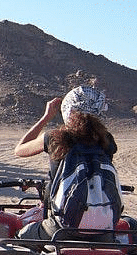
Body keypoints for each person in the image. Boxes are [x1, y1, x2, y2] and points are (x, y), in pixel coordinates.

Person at [14, 85, 118, 239]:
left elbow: (19, 150)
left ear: (67, 110)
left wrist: (47, 116)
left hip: (62, 229)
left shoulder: (55, 138)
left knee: (17, 236)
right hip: (104, 230)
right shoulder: (107, 141)